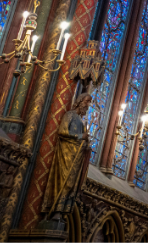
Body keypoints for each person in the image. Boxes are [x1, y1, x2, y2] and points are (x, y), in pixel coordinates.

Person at [41, 93, 93, 223]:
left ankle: (62, 210)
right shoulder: (70, 115)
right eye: (86, 102)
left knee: (71, 184)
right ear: (80, 101)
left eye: (89, 103)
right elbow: (62, 132)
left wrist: (86, 144)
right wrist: (81, 137)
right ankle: (55, 210)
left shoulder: (81, 121)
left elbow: (82, 138)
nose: (88, 105)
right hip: (66, 154)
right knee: (64, 181)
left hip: (77, 155)